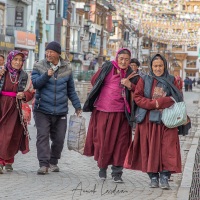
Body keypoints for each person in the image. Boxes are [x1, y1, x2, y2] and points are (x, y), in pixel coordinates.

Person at [124, 54, 182, 189]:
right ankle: (153, 176)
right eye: (155, 66)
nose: (158, 68)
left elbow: (177, 97)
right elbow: (137, 97)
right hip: (148, 121)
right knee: (149, 148)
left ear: (165, 66)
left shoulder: (171, 80)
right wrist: (152, 104)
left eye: (160, 66)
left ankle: (165, 176)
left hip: (167, 121)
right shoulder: (144, 79)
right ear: (151, 66)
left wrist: (160, 102)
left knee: (167, 148)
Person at [83, 48, 139, 183]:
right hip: (103, 111)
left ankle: (117, 172)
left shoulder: (133, 75)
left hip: (122, 115)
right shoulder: (108, 67)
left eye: (127, 59)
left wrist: (130, 85)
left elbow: (139, 92)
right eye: (121, 59)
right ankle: (102, 168)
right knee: (103, 141)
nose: (124, 62)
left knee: (121, 143)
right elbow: (94, 80)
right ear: (116, 58)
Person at [31, 41, 82, 175]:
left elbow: (71, 90)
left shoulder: (67, 69)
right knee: (42, 136)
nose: (48, 54)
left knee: (59, 138)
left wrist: (77, 106)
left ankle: (53, 162)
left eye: (51, 52)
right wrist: (46, 75)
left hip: (60, 111)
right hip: (41, 108)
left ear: (58, 54)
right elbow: (35, 84)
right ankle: (43, 164)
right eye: (47, 51)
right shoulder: (38, 66)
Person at [0, 50, 35, 174]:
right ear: (10, 60)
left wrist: (24, 95)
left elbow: (31, 92)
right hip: (2, 106)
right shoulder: (3, 72)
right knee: (3, 134)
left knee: (12, 134)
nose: (18, 62)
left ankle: (9, 160)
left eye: (20, 60)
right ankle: (1, 161)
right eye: (15, 59)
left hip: (16, 108)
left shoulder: (25, 76)